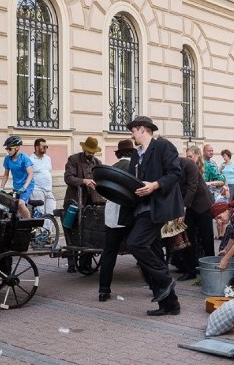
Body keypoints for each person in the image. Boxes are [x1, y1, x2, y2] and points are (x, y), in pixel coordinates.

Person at [118, 116, 182, 316]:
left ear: (143, 129)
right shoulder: (137, 155)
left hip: (157, 208)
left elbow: (175, 173)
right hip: (140, 208)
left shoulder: (163, 146)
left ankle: (164, 280)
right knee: (153, 255)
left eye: (133, 131)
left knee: (135, 243)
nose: (132, 135)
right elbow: (133, 182)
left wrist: (155, 185)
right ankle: (170, 304)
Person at [98, 139, 136, 301]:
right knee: (141, 250)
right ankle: (154, 285)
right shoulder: (135, 168)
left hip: (112, 215)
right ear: (132, 153)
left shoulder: (111, 169)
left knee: (109, 253)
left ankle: (103, 290)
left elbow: (102, 192)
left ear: (119, 154)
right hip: (128, 214)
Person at [64, 136, 106, 272]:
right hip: (75, 201)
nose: (91, 153)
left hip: (92, 201)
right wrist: (84, 181)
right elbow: (68, 177)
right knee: (73, 231)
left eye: (93, 151)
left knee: (89, 232)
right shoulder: (74, 159)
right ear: (83, 148)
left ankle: (85, 263)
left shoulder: (97, 162)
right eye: (89, 151)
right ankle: (71, 263)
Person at [176, 154, 215, 280]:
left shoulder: (188, 163)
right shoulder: (167, 167)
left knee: (207, 238)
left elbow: (192, 187)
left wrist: (183, 207)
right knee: (188, 240)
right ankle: (190, 270)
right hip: (187, 206)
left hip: (202, 205)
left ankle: (211, 269)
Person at [0, 135, 34, 220]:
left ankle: (30, 224)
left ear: (17, 148)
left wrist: (25, 187)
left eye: (10, 149)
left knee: (21, 204)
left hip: (27, 185)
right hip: (17, 186)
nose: (8, 151)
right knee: (13, 206)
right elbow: (6, 174)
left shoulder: (24, 158)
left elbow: (30, 174)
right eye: (7, 149)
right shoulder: (7, 159)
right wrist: (1, 187)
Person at [29, 138, 57, 233]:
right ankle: (37, 235)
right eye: (43, 146)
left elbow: (48, 172)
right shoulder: (31, 159)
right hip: (37, 189)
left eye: (46, 146)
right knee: (40, 212)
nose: (46, 148)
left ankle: (45, 234)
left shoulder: (48, 158)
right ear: (36, 147)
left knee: (51, 211)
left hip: (48, 190)